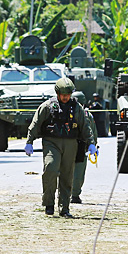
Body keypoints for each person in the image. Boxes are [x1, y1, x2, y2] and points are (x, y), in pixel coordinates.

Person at [25, 78, 96, 218]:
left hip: (71, 144)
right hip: (52, 143)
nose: (65, 97)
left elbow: (85, 126)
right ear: (57, 93)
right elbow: (35, 123)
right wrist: (29, 141)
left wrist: (91, 143)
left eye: (68, 94)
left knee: (66, 175)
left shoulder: (76, 108)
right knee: (50, 168)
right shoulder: (47, 106)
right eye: (63, 94)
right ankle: (49, 203)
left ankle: (64, 207)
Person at [70, 91, 97, 204]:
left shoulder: (65, 112)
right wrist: (93, 145)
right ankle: (75, 195)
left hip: (67, 145)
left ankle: (64, 194)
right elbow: (93, 131)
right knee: (79, 172)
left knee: (65, 170)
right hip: (81, 146)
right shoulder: (87, 114)